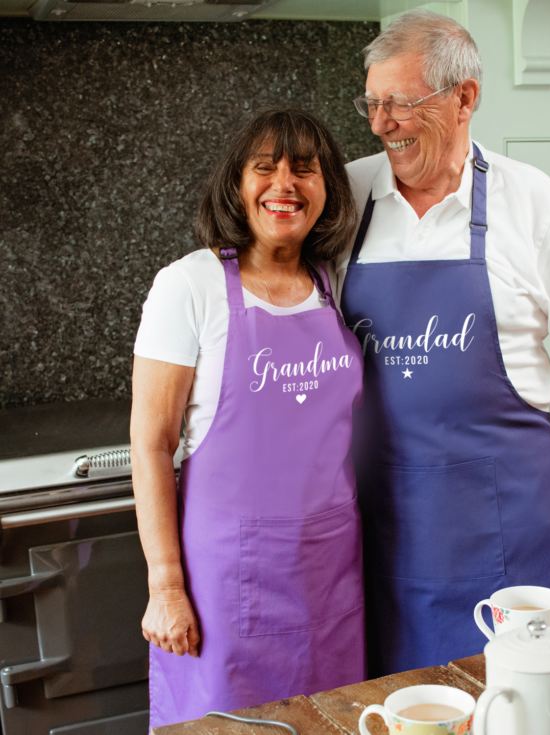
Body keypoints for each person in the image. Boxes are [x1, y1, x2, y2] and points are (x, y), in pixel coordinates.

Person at [337, 10, 550, 677]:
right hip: (384, 525)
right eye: (372, 102)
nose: (381, 122)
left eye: (401, 103)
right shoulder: (344, 197)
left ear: (464, 97)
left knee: (530, 703)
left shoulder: (530, 200)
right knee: (402, 705)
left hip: (510, 522)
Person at [131, 109, 365, 728]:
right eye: (265, 168)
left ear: (328, 189)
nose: (284, 184)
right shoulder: (190, 285)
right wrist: (165, 587)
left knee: (333, 719)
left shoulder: (333, 283)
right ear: (237, 185)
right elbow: (151, 445)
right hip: (225, 584)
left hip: (331, 572)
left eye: (304, 170)